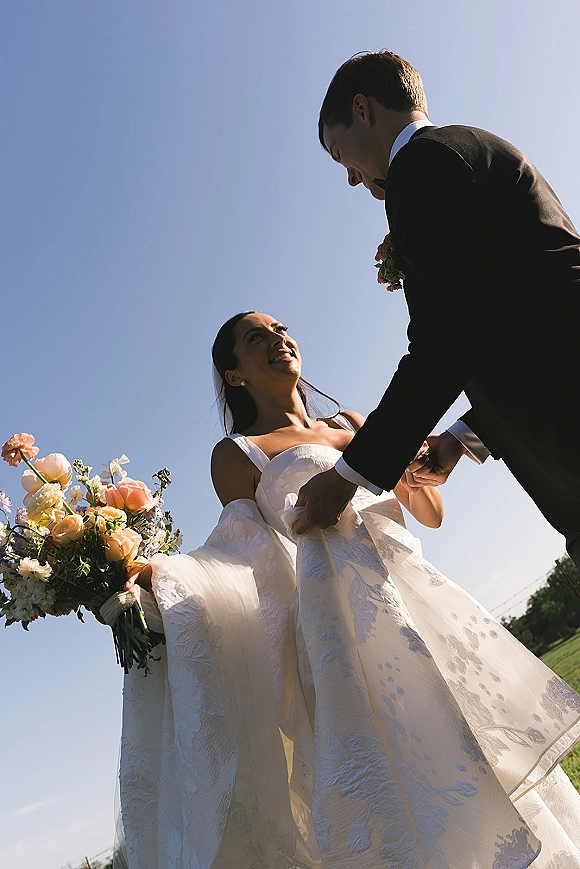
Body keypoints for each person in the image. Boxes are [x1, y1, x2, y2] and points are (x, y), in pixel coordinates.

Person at [117, 311, 580, 869]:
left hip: (411, 595)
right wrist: (163, 575)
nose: (278, 341)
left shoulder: (352, 422)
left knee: (471, 739)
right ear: (233, 375)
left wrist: (409, 468)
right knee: (397, 760)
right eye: (255, 338)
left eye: (281, 330)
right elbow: (241, 554)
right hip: (337, 621)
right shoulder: (239, 453)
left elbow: (427, 512)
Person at [293, 50, 580, 573]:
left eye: (341, 155)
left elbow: (442, 345)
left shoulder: (424, 167)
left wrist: (348, 477)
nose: (353, 179)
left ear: (363, 109)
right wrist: (459, 440)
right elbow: (513, 331)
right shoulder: (461, 152)